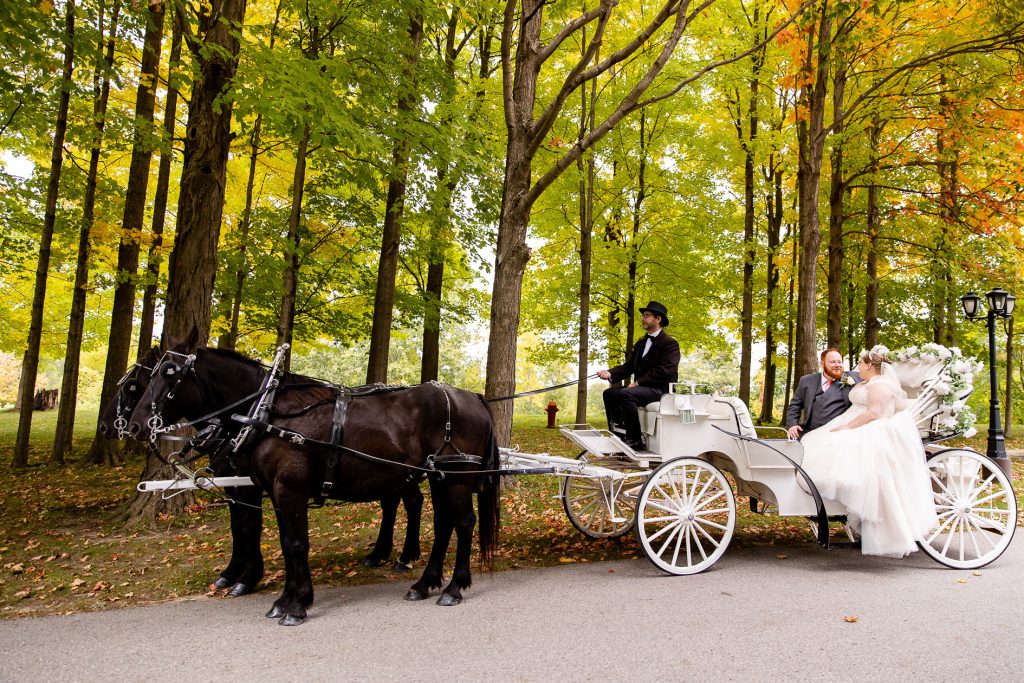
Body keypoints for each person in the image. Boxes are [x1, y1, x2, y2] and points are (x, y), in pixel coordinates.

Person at [799, 346, 938, 557]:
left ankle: (847, 495)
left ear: (869, 366)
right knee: (817, 442)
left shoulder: (880, 385)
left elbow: (874, 413)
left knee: (837, 444)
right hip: (853, 420)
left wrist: (848, 427)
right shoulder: (867, 382)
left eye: (861, 364)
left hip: (869, 427)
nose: (857, 368)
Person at [597, 301, 681, 450]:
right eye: (643, 315)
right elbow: (629, 366)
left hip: (661, 390)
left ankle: (634, 439)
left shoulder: (670, 343)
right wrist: (609, 373)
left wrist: (639, 382)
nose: (643, 318)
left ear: (658, 319)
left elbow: (665, 370)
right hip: (641, 389)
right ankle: (618, 434)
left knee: (627, 394)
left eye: (647, 316)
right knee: (610, 393)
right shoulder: (641, 343)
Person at [785, 348, 860, 440]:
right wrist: (792, 425)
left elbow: (874, 372)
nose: (837, 365)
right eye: (833, 362)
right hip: (810, 432)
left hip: (837, 434)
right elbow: (794, 406)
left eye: (839, 362)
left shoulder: (852, 378)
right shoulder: (806, 381)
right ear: (822, 364)